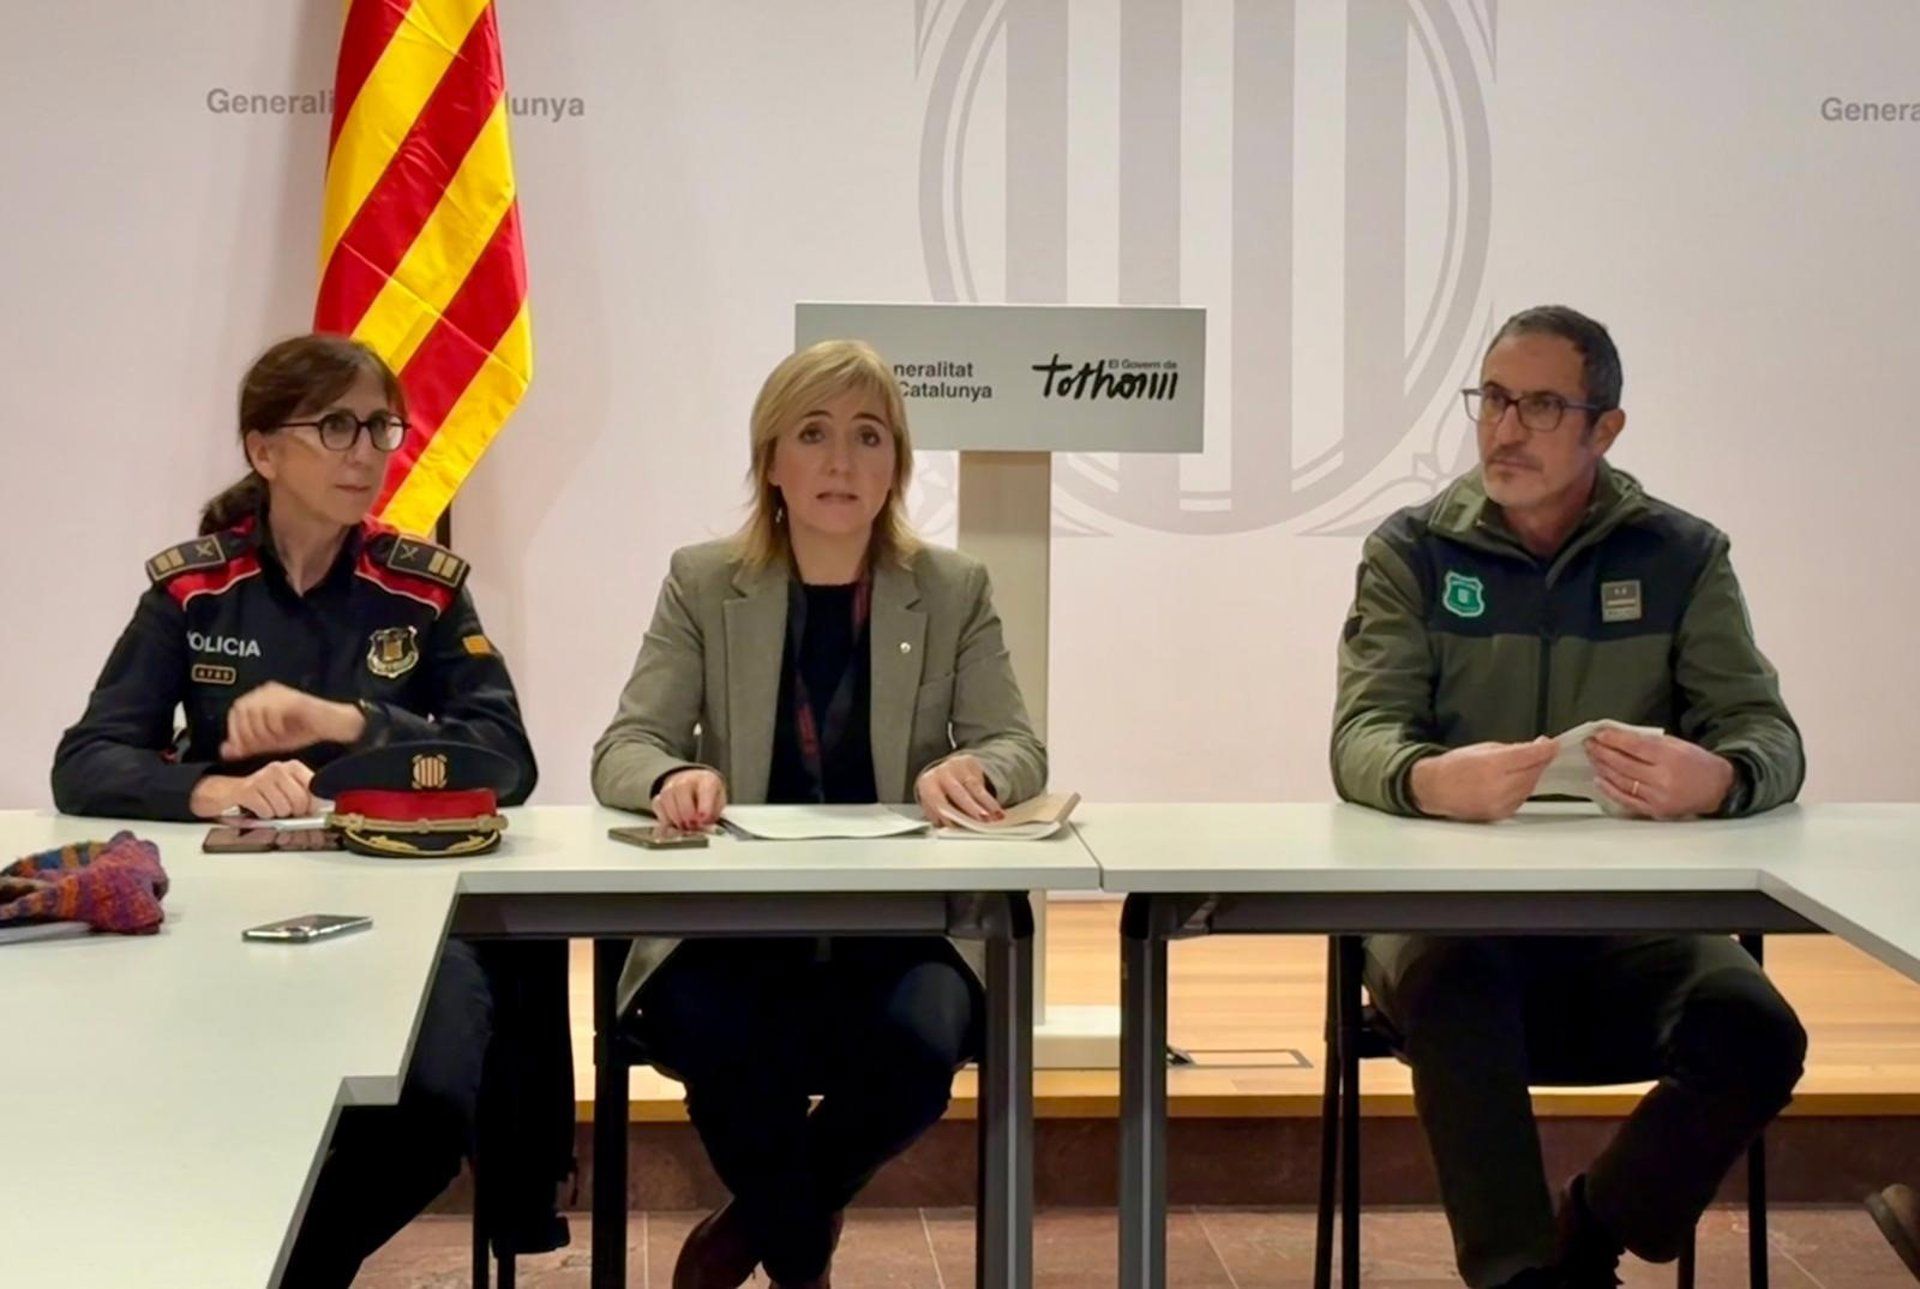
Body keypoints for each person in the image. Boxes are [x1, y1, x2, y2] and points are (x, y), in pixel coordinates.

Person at [51, 333, 569, 1285]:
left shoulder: (420, 589)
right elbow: (86, 761)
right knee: (176, 1086)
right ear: (264, 449)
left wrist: (350, 722)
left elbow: (508, 760)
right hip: (224, 915)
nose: (367, 452)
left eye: (381, 427)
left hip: (405, 909)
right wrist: (213, 788)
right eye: (336, 426)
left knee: (430, 1103)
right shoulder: (195, 589)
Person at [1330, 305, 1807, 1288]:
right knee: (1458, 988)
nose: (1506, 429)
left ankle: (1588, 1232)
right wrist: (1428, 778)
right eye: (1494, 399)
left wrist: (1719, 777)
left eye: (1542, 406)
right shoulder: (1412, 550)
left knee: (1757, 1031)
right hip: (1448, 920)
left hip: (1633, 922)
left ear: (1606, 428)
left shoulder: (1682, 556)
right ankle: (1520, 1278)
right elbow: (1361, 734)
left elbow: (1767, 734)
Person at [592, 338, 1046, 1289]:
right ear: (771, 462)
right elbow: (624, 747)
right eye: (813, 434)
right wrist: (672, 775)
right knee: (719, 1038)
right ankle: (801, 1258)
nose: (841, 461)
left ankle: (748, 1233)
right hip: (732, 925)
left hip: (901, 925)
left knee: (923, 1043)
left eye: (868, 436)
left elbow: (1018, 746)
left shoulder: (952, 587)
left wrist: (971, 766)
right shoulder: (704, 581)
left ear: (896, 466)